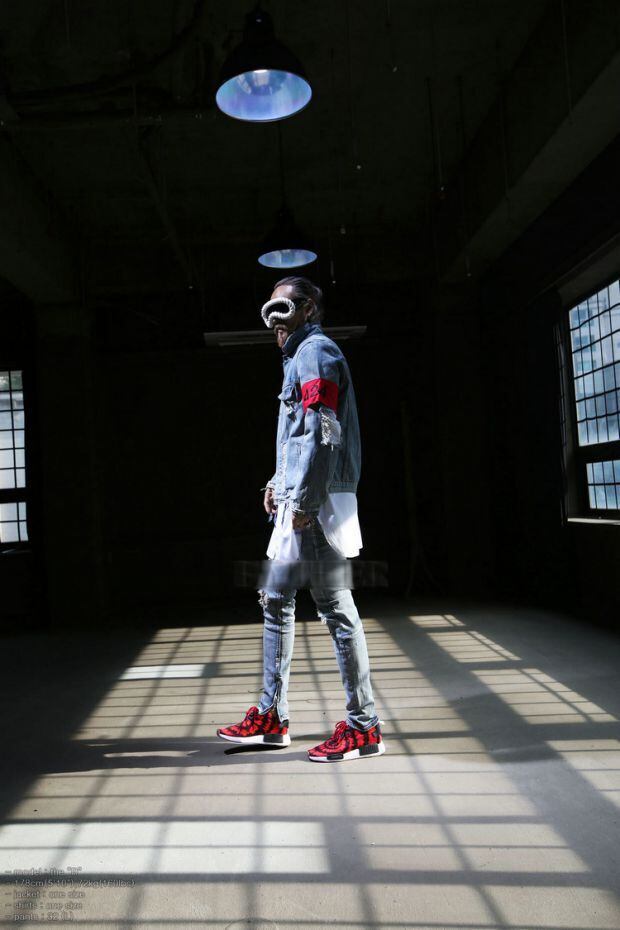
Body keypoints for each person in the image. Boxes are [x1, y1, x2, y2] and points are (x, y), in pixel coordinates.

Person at [217, 276, 384, 762]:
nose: (273, 319)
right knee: (275, 598)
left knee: (335, 607)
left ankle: (363, 726)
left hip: (315, 504)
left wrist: (306, 503)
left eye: (283, 308)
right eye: (268, 309)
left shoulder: (316, 353)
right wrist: (277, 481)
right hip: (299, 499)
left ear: (308, 309)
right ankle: (272, 717)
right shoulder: (297, 358)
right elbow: (296, 434)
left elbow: (322, 432)